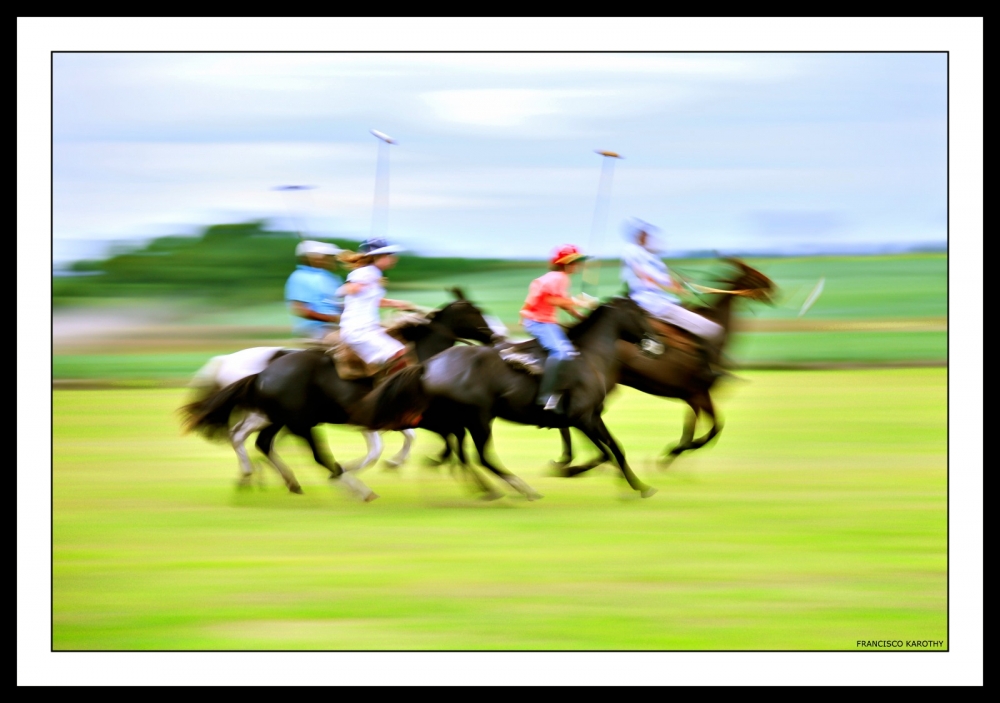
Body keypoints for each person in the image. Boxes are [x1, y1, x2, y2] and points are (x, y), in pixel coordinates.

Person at [621, 219, 725, 376]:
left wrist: (678, 284)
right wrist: (674, 287)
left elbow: (660, 276)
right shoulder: (632, 250)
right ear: (638, 234)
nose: (646, 236)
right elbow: (647, 276)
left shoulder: (647, 254)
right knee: (712, 329)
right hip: (650, 301)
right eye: (644, 233)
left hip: (659, 299)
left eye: (646, 233)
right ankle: (707, 368)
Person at [520, 244, 589, 412]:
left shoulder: (560, 277)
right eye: (575, 262)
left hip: (547, 322)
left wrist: (580, 316)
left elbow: (561, 302)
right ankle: (546, 396)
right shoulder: (558, 278)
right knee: (561, 352)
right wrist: (579, 301)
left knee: (570, 352)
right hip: (538, 321)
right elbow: (553, 300)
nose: (577, 265)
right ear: (565, 263)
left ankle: (560, 391)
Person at [336, 238, 417, 377]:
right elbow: (348, 289)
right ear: (376, 257)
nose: (393, 259)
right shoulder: (366, 273)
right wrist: (351, 288)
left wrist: (398, 304)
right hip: (360, 330)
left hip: (367, 328)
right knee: (399, 353)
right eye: (388, 255)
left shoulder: (373, 273)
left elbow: (374, 300)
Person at [284, 240, 345, 341]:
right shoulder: (300, 276)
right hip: (315, 330)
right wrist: (333, 319)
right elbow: (300, 309)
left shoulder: (331, 278)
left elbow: (338, 304)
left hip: (336, 327)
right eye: (329, 257)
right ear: (315, 259)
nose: (333, 260)